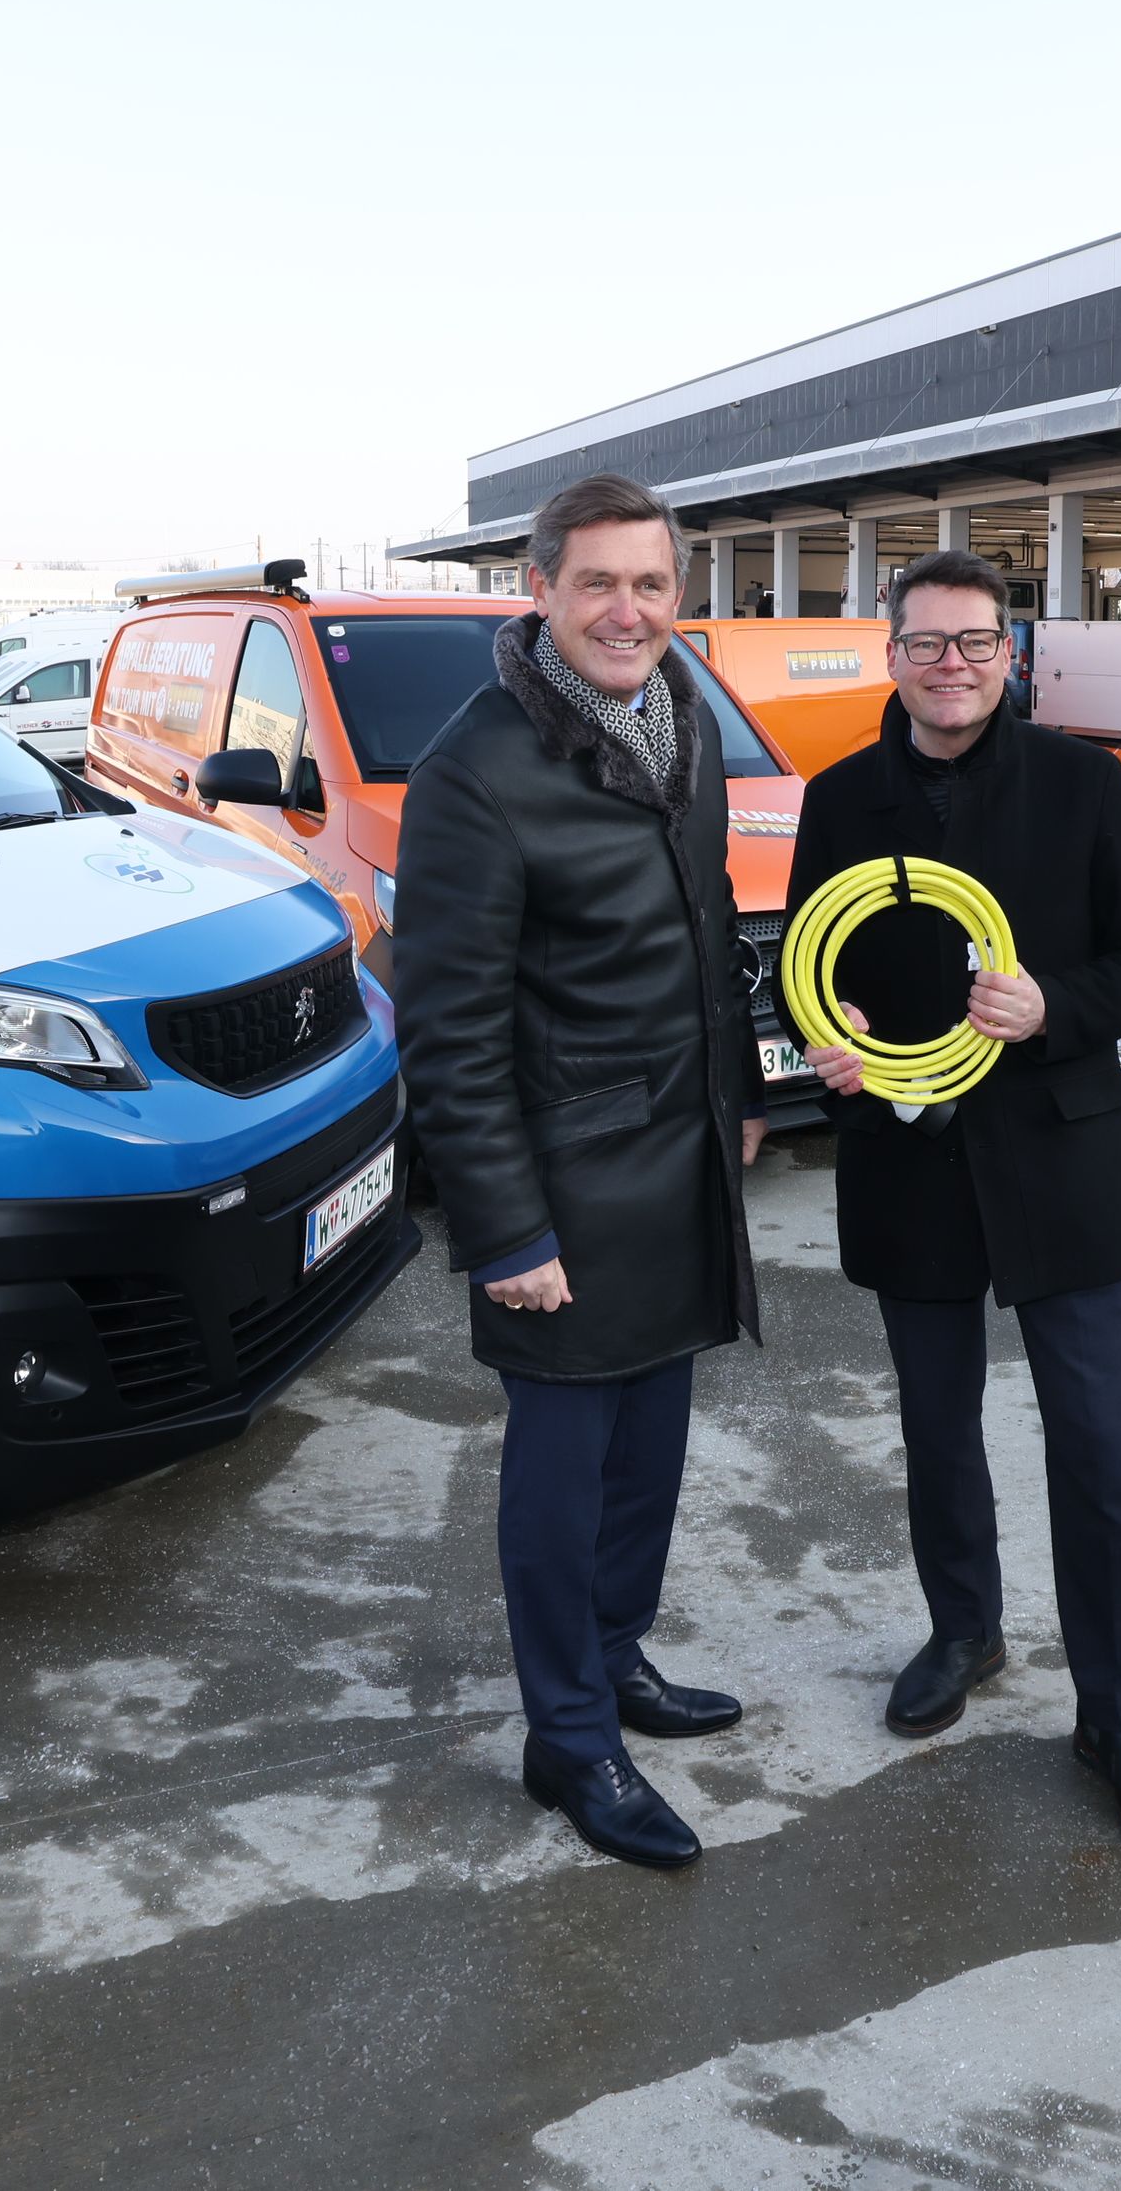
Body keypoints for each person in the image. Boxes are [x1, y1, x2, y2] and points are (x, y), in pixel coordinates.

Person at [787, 548, 1121, 1858]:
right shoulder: (840, 799)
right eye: (926, 643)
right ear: (892, 655)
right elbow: (805, 966)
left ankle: (1116, 1716)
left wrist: (1052, 1007)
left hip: (1055, 1156)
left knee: (1096, 1446)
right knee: (936, 1425)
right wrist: (828, 1040)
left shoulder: (1081, 784)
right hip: (909, 1156)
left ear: (1008, 654)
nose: (950, 664)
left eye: (974, 642)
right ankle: (963, 1630)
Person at [395, 472, 769, 1871]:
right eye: (598, 583)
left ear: (679, 595)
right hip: (561, 1184)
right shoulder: (476, 768)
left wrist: (739, 1097)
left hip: (677, 1157)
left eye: (651, 583)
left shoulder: (685, 721)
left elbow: (706, 922)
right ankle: (566, 1736)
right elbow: (448, 1025)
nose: (628, 610)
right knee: (564, 1476)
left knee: (650, 1451)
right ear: (540, 590)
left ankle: (614, 1661)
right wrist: (504, 1230)